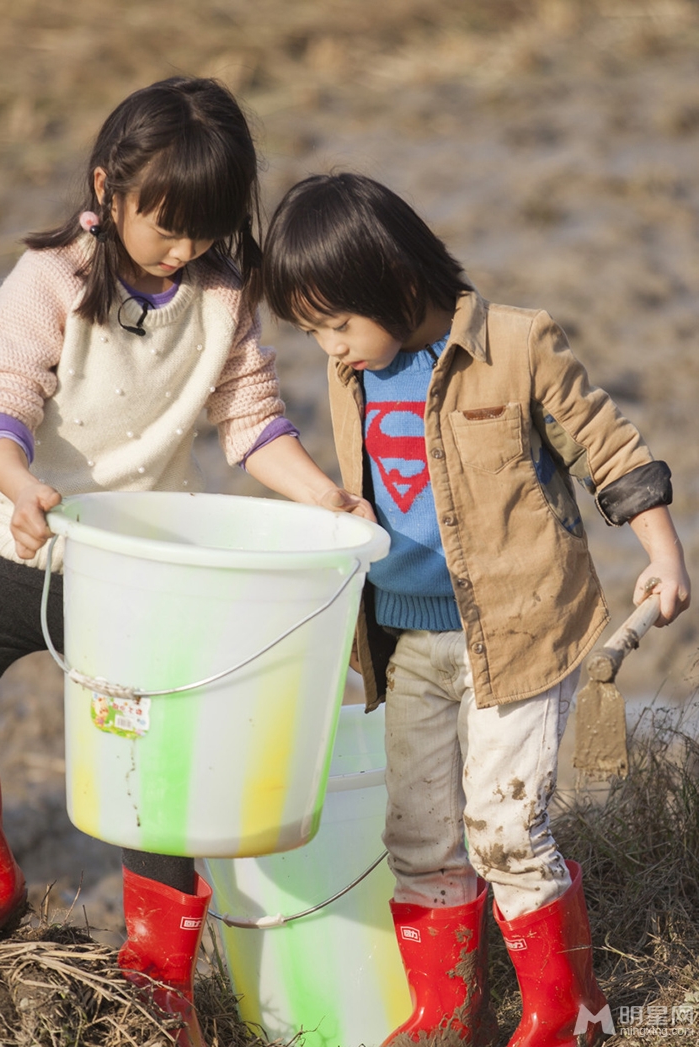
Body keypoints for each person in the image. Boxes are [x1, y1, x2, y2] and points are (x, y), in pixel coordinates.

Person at [0, 80, 371, 1047]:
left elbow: (249, 421)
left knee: (155, 773)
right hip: (21, 534)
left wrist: (323, 494)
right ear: (106, 187)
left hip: (133, 566)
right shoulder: (52, 279)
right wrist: (19, 481)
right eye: (167, 222)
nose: (185, 246)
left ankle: (160, 976)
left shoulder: (223, 296)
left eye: (207, 226)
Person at [262, 172, 691, 1047]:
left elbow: (607, 443)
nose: (331, 350)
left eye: (337, 325)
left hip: (518, 635)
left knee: (502, 826)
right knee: (418, 833)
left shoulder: (518, 344)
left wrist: (662, 551)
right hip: (406, 641)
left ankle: (571, 1010)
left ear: (395, 280)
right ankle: (449, 1013)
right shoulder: (353, 372)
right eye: (314, 333)